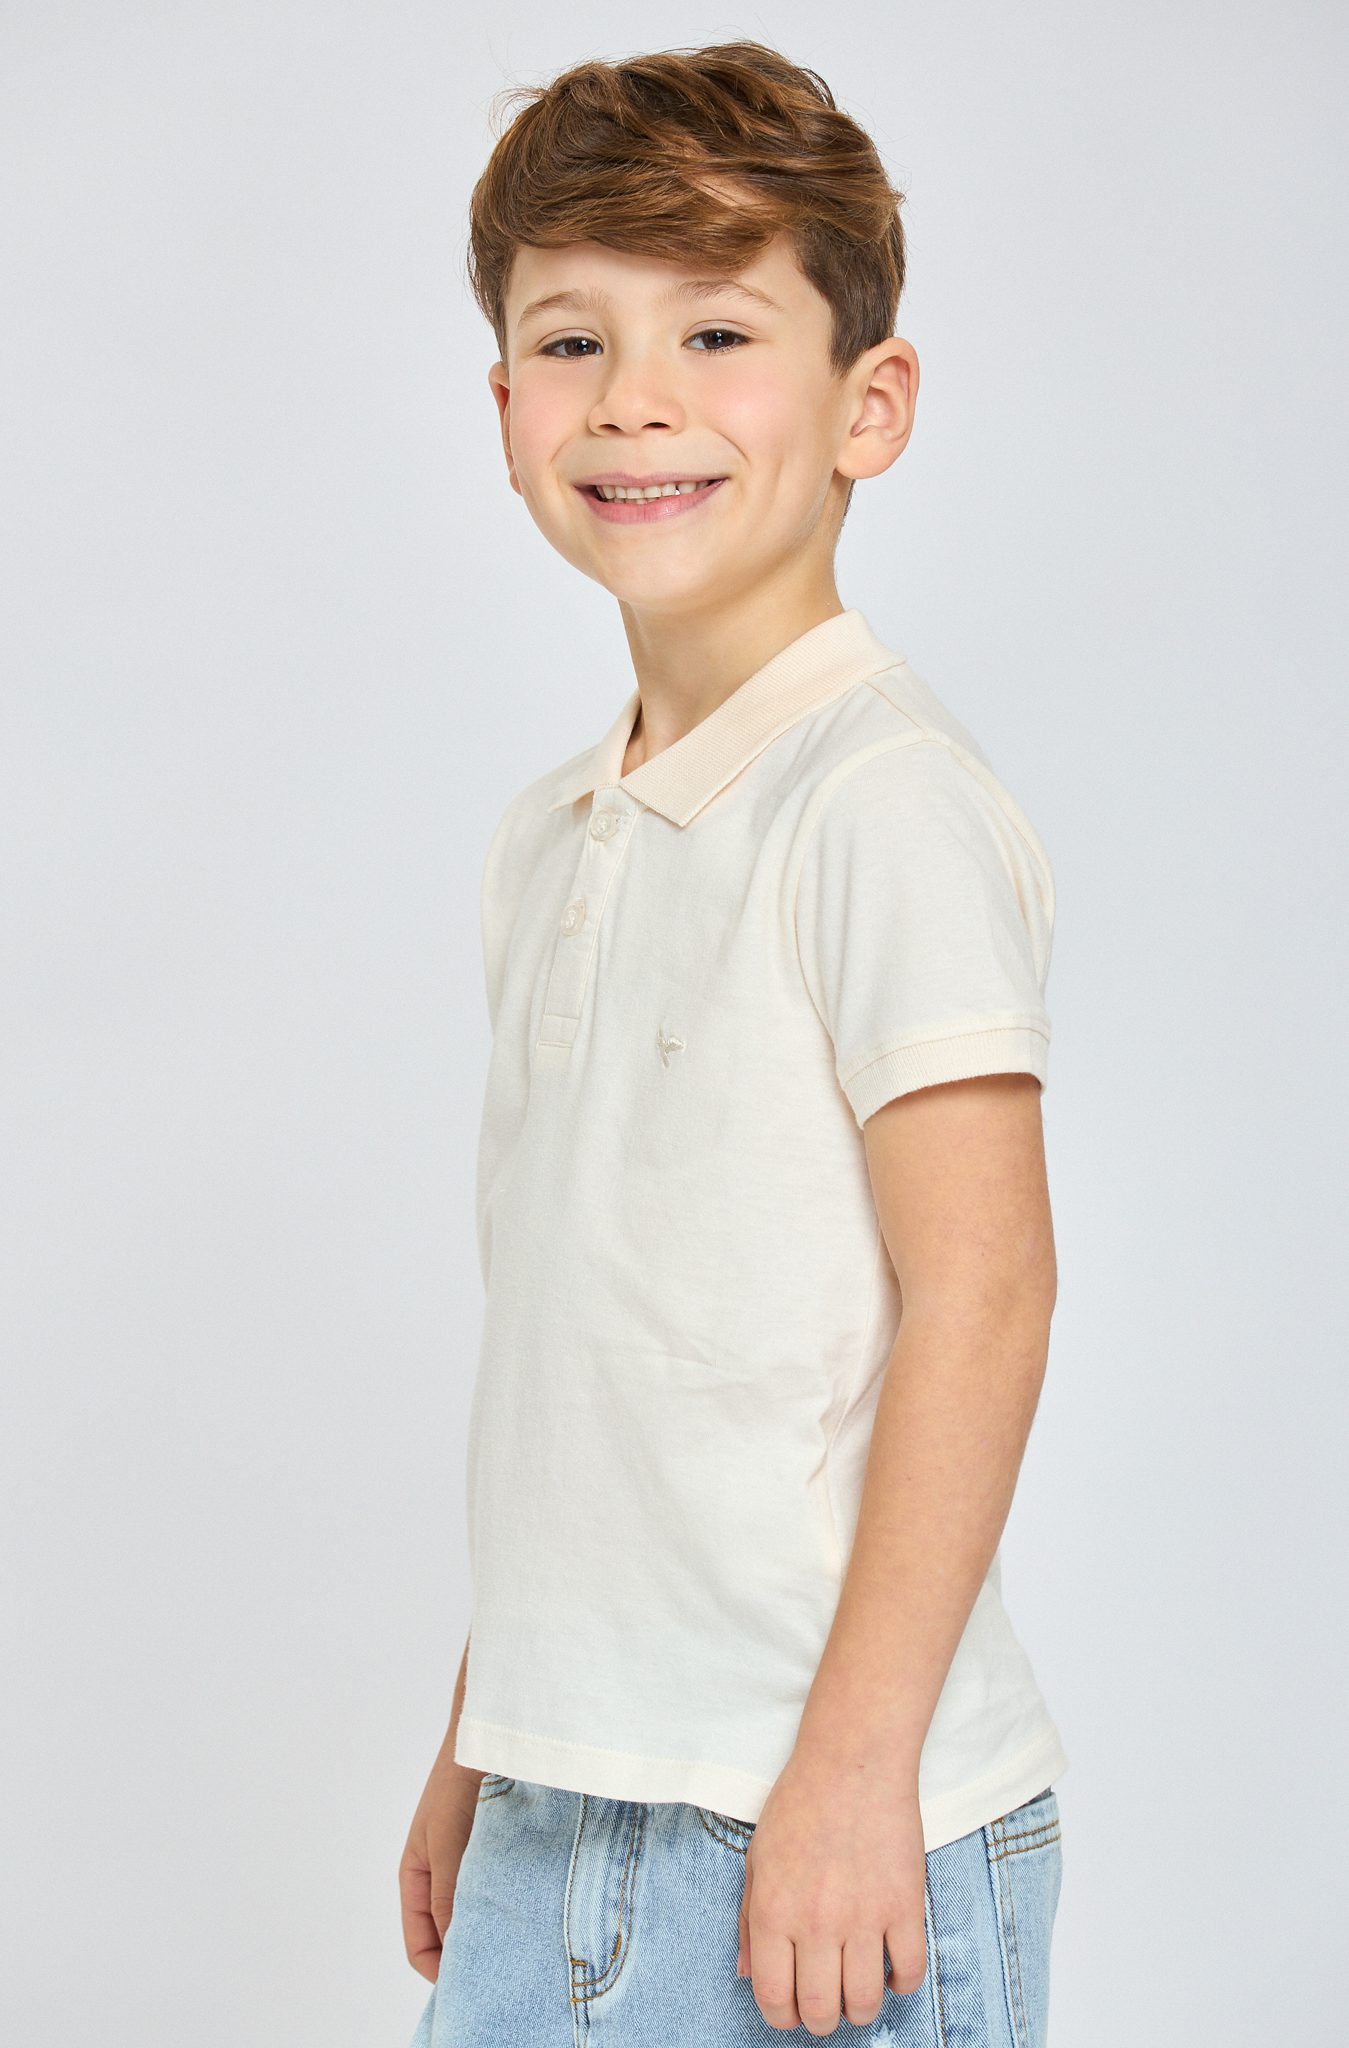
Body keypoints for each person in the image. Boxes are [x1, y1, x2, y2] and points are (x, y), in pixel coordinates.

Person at [400, 37, 1067, 2046]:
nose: (634, 398)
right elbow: (588, 1353)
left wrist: (853, 1773)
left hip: (813, 1825)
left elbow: (983, 1293)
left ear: (869, 403)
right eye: (570, 340)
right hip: (561, 1801)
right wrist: (487, 1730)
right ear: (505, 409)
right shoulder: (551, 835)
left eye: (713, 330)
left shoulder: (876, 801)